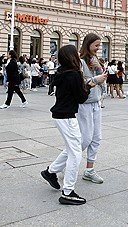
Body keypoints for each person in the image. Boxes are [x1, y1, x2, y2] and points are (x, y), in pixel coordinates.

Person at [40, 45, 92, 205]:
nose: (78, 54)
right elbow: (81, 98)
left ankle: (50, 172)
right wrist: (89, 86)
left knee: (71, 149)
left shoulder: (61, 72)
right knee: (75, 153)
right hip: (67, 117)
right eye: (76, 53)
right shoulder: (74, 74)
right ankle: (68, 192)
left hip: (60, 115)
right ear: (71, 57)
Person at [77, 33, 108, 184]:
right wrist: (95, 78)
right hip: (84, 103)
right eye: (96, 45)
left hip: (96, 102)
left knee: (96, 138)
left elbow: (102, 83)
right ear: (88, 44)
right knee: (85, 139)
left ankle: (89, 169)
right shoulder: (80, 61)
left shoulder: (95, 61)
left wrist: (100, 69)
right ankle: (59, 166)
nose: (98, 48)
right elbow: (80, 83)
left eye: (99, 45)